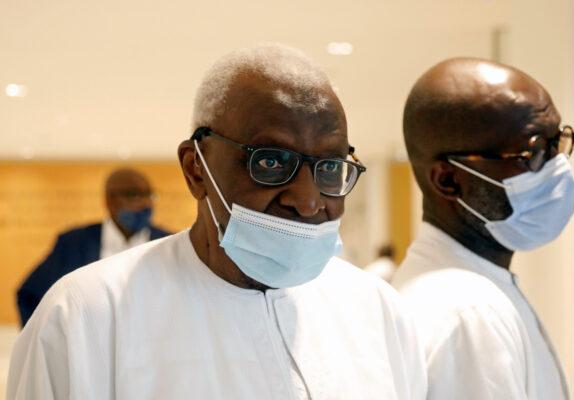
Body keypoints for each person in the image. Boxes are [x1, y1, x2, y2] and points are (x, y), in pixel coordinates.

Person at [7, 45, 426, 399]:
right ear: (196, 169)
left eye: (330, 167)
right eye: (271, 161)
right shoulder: (87, 318)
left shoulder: (378, 312)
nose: (308, 200)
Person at [391, 57, 574, 399]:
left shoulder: (475, 286)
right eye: (534, 152)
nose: (558, 167)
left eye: (559, 142)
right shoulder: (467, 314)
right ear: (448, 180)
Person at [16, 168, 170, 326]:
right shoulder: (73, 244)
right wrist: (49, 345)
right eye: (133, 195)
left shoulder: (168, 245)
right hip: (90, 347)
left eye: (149, 195)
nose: (145, 203)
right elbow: (30, 295)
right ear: (109, 200)